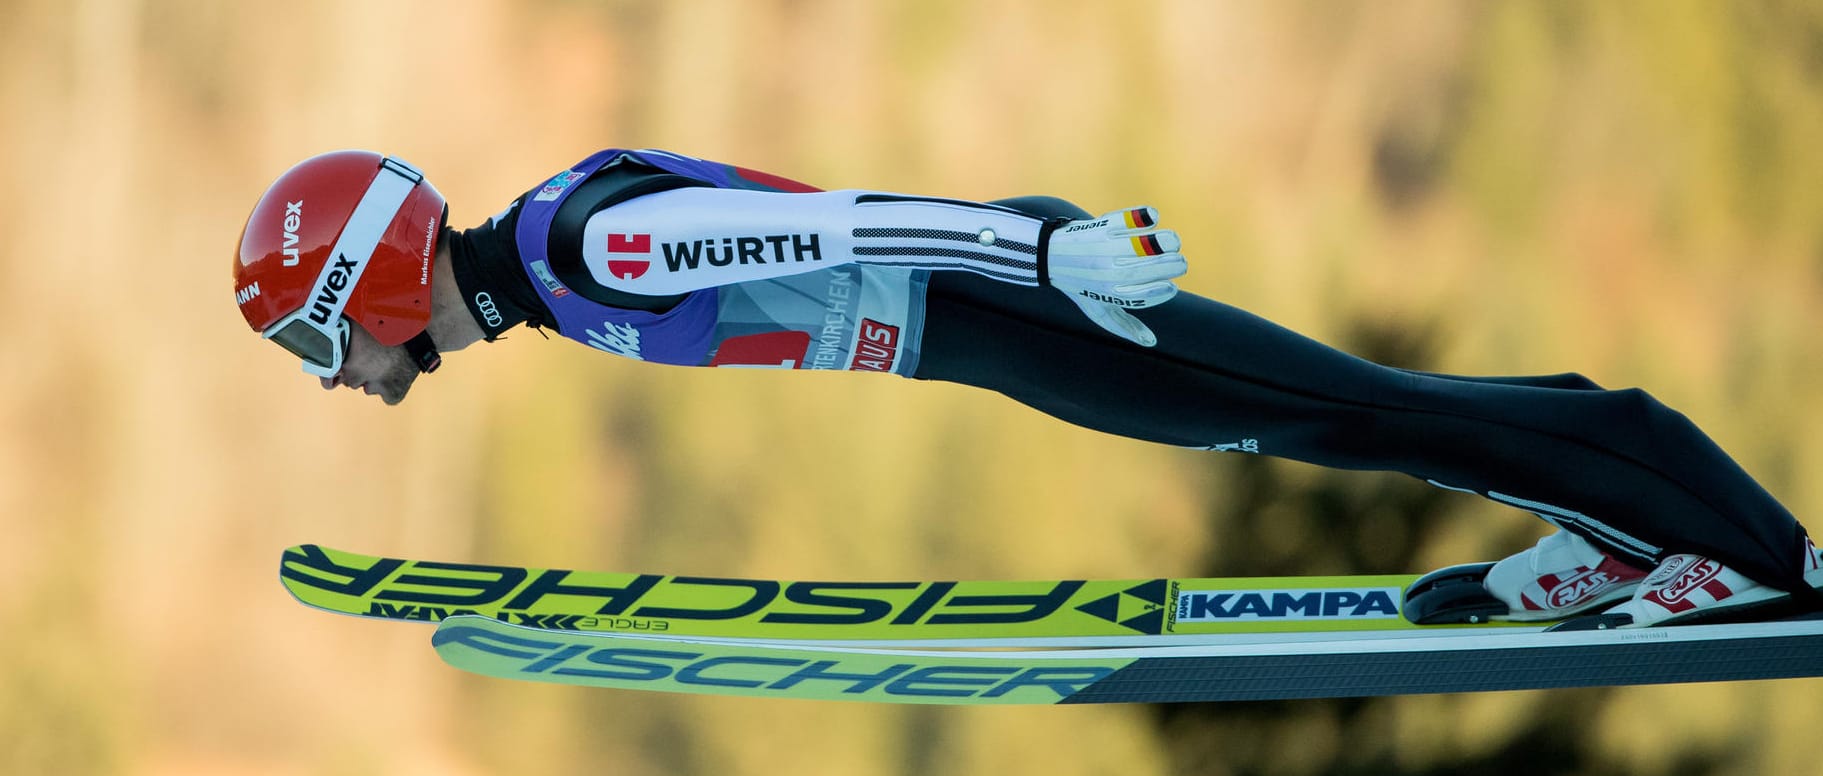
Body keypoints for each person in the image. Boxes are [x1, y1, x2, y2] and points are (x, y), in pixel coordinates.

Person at [231, 149, 1822, 628]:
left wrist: (1044, 261)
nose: (344, 379)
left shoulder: (589, 251)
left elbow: (837, 224)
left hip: (1017, 301)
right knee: (1355, 407)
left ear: (373, 281)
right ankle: (1625, 534)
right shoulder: (554, 275)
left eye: (322, 341)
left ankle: (1742, 551)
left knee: (1351, 409)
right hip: (998, 315)